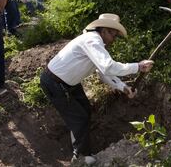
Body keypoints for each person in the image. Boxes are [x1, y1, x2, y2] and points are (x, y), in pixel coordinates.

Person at [40, 13, 154, 163]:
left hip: (69, 83)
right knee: (79, 117)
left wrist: (123, 87)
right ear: (104, 30)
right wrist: (137, 66)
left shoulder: (96, 43)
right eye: (113, 34)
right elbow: (107, 67)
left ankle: (79, 150)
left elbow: (103, 73)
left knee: (85, 110)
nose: (114, 39)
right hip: (55, 83)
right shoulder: (92, 40)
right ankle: (81, 157)